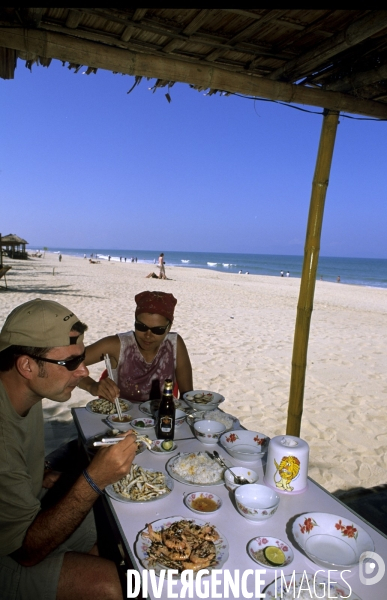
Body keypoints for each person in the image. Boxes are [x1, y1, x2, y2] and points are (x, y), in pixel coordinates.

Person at [0, 299, 137, 600]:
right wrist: (93, 479)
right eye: (71, 362)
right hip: (13, 553)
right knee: (112, 586)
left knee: (109, 533)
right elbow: (26, 551)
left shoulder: (21, 390)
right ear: (27, 365)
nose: (83, 371)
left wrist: (40, 474)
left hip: (27, 509)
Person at [79, 291, 193, 403]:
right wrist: (92, 386)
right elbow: (66, 365)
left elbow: (187, 396)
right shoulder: (117, 345)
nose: (148, 335)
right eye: (141, 326)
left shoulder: (174, 344)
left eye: (157, 330)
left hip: (162, 418)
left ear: (169, 328)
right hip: (121, 418)